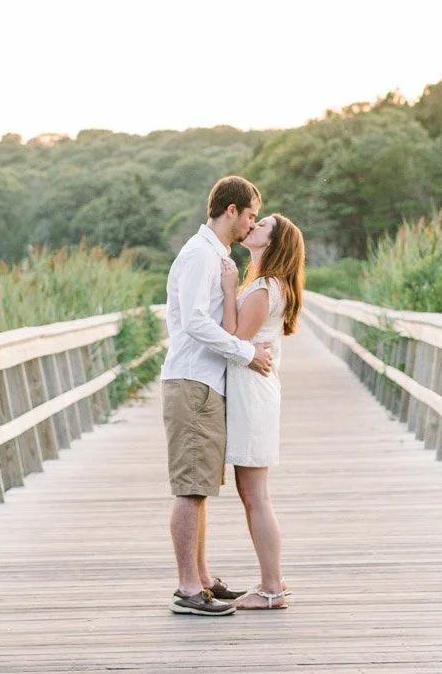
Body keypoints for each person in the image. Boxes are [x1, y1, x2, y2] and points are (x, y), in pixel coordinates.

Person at [163, 175, 275, 617]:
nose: (251, 224)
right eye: (249, 215)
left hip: (204, 384)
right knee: (191, 487)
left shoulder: (216, 256)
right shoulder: (199, 255)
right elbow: (194, 321)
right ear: (231, 210)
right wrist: (246, 353)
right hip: (192, 381)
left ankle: (203, 579)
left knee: (201, 485)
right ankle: (188, 589)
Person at [219, 212, 305, 610]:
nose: (253, 227)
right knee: (253, 494)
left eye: (262, 226)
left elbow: (234, 338)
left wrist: (227, 288)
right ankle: (272, 583)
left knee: (256, 496)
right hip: (255, 391)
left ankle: (272, 588)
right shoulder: (268, 285)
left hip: (252, 394)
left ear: (273, 244)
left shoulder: (264, 288)